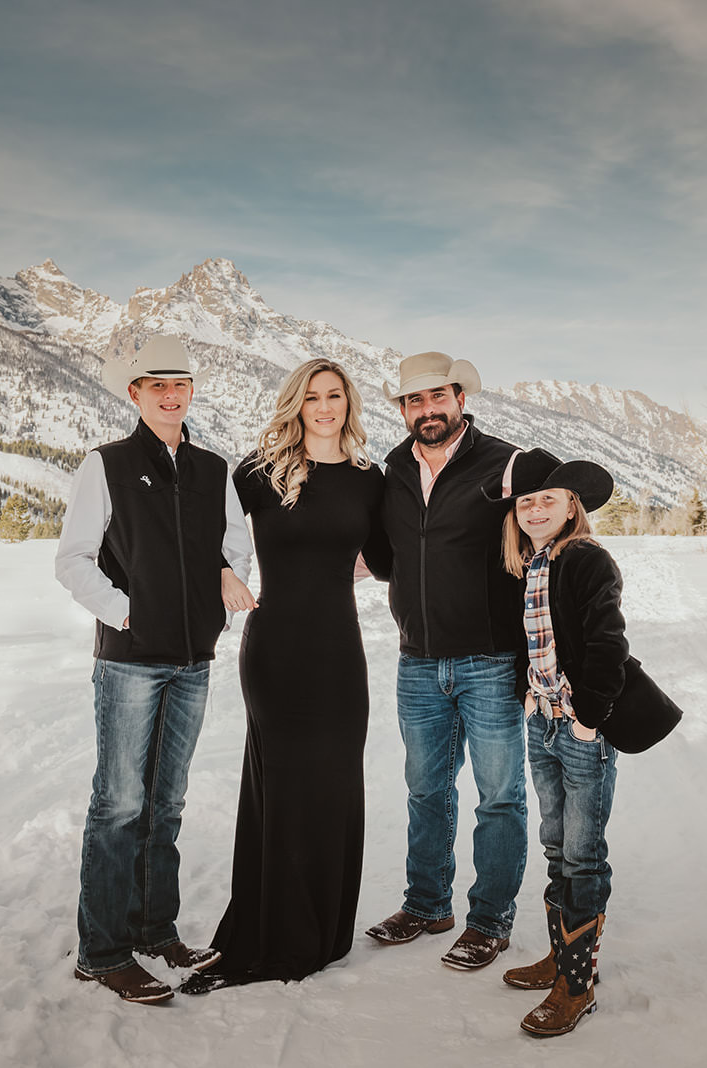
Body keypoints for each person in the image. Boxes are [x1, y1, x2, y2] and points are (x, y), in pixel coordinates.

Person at [54, 334, 257, 1005]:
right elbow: (73, 559)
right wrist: (127, 613)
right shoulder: (105, 465)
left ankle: (154, 929)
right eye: (156, 387)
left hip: (193, 659)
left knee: (165, 803)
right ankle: (103, 951)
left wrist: (219, 600)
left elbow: (235, 547)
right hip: (132, 663)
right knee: (119, 805)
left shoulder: (213, 469)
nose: (171, 397)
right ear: (135, 395)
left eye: (181, 386)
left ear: (190, 392)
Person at [182, 358, 392, 995]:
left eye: (334, 396)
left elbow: (389, 559)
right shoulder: (258, 472)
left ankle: (322, 934)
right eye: (312, 397)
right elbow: (199, 530)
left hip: (339, 654)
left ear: (348, 403)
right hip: (275, 651)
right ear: (295, 405)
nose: (324, 407)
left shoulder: (369, 478)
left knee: (331, 790)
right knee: (280, 789)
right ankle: (269, 933)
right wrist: (224, 572)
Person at [366, 351, 529, 972]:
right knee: (426, 790)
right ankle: (428, 904)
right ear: (403, 409)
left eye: (437, 397)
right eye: (413, 401)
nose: (426, 410)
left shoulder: (506, 463)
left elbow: (547, 531)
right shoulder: (393, 471)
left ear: (461, 398)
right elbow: (386, 556)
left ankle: (490, 920)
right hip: (418, 661)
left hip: (489, 660)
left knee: (499, 797)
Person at [488, 448, 625, 1037]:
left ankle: (578, 983)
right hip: (542, 721)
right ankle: (557, 956)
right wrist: (528, 690)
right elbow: (535, 639)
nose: (536, 509)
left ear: (573, 507)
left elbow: (606, 643)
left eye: (548, 500)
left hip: (579, 727)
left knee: (582, 852)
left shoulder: (587, 560)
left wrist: (590, 717)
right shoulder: (533, 563)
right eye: (526, 502)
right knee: (553, 842)